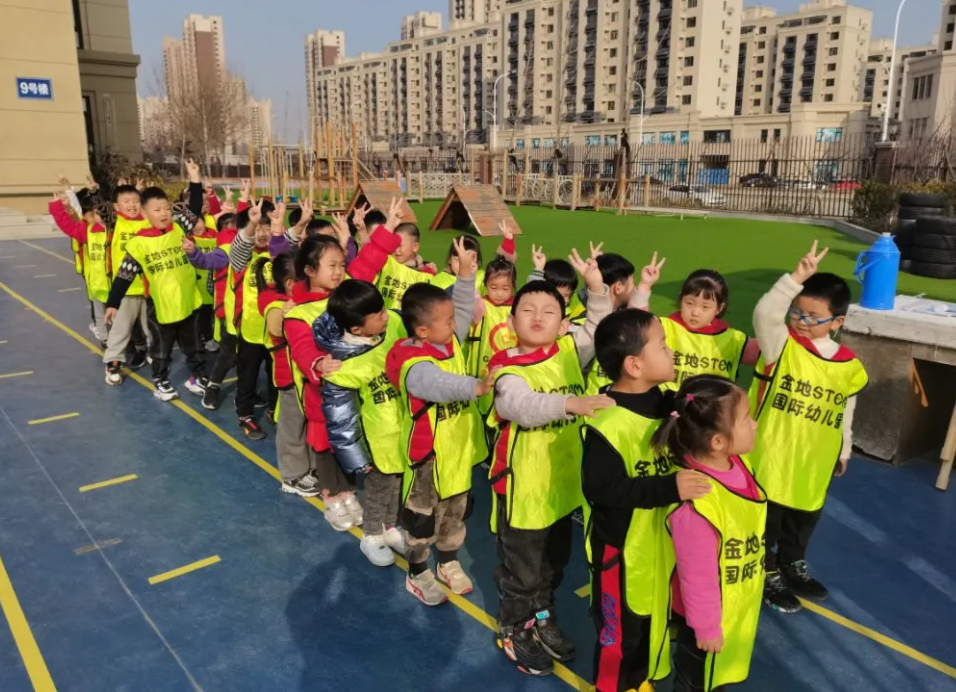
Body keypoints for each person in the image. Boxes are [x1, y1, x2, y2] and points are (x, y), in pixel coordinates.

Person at [485, 249, 615, 678]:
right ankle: (514, 627)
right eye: (527, 310)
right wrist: (569, 403)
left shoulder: (568, 351)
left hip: (560, 487)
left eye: (548, 311)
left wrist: (596, 289)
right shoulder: (505, 369)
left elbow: (597, 328)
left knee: (553, 565)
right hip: (523, 488)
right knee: (521, 571)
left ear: (563, 325)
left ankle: (542, 617)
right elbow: (521, 406)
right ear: (510, 322)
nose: (538, 317)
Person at [582, 309, 712, 692]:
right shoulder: (607, 421)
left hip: (661, 546)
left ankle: (638, 682)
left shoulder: (670, 405)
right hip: (620, 554)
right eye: (663, 346)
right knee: (621, 635)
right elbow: (603, 490)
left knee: (653, 623)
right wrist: (669, 488)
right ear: (634, 365)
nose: (672, 352)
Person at [750, 242, 868, 613]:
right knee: (765, 522)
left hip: (815, 460)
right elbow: (765, 314)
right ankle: (763, 570)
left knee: (802, 520)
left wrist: (844, 449)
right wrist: (796, 278)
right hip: (771, 455)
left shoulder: (849, 366)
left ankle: (791, 563)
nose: (801, 320)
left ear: (837, 322)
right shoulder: (781, 346)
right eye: (797, 311)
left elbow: (845, 409)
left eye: (813, 316)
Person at [283, 205, 404, 530]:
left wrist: (389, 226)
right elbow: (302, 348)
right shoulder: (298, 313)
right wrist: (318, 363)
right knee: (326, 446)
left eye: (341, 265)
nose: (339, 272)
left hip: (355, 390)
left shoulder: (347, 291)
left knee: (350, 440)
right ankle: (332, 497)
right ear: (309, 270)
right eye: (331, 266)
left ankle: (349, 493)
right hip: (323, 394)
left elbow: (371, 260)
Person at [385, 240, 490, 607]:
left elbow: (461, 306)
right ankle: (417, 570)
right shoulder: (414, 363)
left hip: (457, 452)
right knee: (422, 519)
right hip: (428, 459)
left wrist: (467, 274)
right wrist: (475, 386)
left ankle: (447, 560)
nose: (456, 323)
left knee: (456, 513)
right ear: (423, 331)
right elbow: (438, 384)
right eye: (447, 322)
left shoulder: (449, 342)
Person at [653, 376, 765, 692]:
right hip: (705, 619)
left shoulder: (737, 464)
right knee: (697, 683)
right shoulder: (698, 502)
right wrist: (705, 627)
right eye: (746, 419)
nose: (755, 425)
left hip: (733, 601)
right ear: (717, 441)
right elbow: (697, 574)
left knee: (715, 680)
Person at [313, 280, 409, 566]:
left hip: (402, 430)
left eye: (384, 309)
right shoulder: (342, 367)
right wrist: (358, 459)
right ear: (356, 329)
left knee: (397, 484)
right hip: (376, 442)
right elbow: (341, 419)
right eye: (378, 315)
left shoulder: (393, 327)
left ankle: (390, 527)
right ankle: (372, 535)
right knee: (379, 489)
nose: (386, 316)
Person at [103, 162, 206, 401]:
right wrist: (113, 303)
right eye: (157, 210)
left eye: (167, 208)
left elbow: (195, 207)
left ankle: (197, 377)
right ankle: (160, 381)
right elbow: (124, 275)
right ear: (145, 213)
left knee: (194, 346)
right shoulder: (139, 243)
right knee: (161, 348)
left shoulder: (179, 228)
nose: (164, 213)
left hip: (188, 301)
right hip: (160, 307)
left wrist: (195, 179)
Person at [258, 252, 321, 497]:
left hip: (307, 377)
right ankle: (292, 475)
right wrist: (289, 311)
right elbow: (276, 327)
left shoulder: (306, 301)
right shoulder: (276, 305)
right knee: (292, 427)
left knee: (310, 422)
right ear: (291, 284)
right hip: (290, 379)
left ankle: (313, 467)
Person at [641, 268, 761, 387]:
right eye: (689, 303)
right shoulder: (664, 327)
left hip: (713, 400)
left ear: (719, 308)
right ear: (681, 299)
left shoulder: (732, 340)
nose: (695, 312)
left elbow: (766, 351)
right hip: (666, 398)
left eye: (705, 307)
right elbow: (636, 325)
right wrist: (644, 286)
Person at [585, 252, 662, 394]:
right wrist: (644, 286)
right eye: (633, 282)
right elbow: (632, 325)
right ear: (618, 287)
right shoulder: (599, 324)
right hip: (600, 397)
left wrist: (645, 285)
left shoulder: (583, 318)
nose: (634, 287)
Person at [101, 182, 151, 384]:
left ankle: (155, 353)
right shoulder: (115, 222)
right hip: (125, 288)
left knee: (152, 327)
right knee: (121, 328)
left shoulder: (148, 222)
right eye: (126, 201)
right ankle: (113, 361)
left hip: (149, 286)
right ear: (116, 206)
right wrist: (95, 191)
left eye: (136, 200)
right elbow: (101, 208)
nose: (132, 205)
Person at [48, 186, 110, 346]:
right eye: (92, 214)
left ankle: (129, 343)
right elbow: (68, 226)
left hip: (118, 286)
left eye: (100, 212)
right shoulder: (87, 231)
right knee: (100, 315)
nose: (97, 217)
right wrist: (57, 207)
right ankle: (105, 339)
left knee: (122, 317)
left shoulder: (115, 230)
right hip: (97, 285)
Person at [375, 222, 438, 310]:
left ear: (415, 247)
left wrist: (430, 274)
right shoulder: (385, 262)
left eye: (400, 246)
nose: (396, 250)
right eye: (393, 245)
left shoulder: (425, 273)